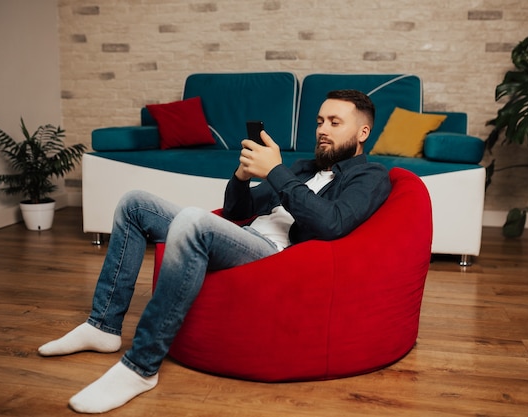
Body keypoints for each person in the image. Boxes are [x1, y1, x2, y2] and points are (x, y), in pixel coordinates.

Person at [38, 89, 391, 413]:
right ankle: (103, 325)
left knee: (193, 219)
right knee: (134, 203)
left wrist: (277, 173)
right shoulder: (302, 168)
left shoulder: (370, 176)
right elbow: (238, 212)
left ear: (362, 132)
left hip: (275, 256)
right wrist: (240, 177)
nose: (322, 130)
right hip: (245, 236)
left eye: (334, 122)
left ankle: (141, 366)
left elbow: (332, 224)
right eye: (319, 122)